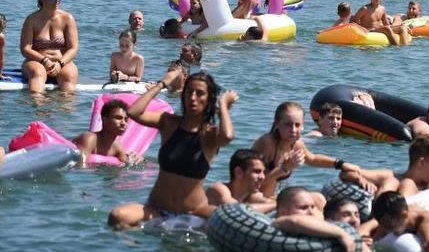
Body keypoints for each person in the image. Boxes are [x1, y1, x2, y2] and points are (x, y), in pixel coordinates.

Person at [107, 68, 238, 228]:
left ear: (209, 99)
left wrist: (222, 106)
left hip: (193, 212)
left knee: (230, 222)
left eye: (200, 93)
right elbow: (134, 112)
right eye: (189, 92)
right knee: (117, 216)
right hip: (156, 209)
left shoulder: (210, 135)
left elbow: (228, 136)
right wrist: (163, 83)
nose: (193, 98)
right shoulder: (168, 123)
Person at [251, 102, 370, 199]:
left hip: (275, 198)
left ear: (303, 125)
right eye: (288, 125)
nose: (293, 129)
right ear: (277, 123)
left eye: (297, 125)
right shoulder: (267, 143)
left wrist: (341, 164)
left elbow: (312, 159)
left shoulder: (296, 143)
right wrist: (284, 168)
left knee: (319, 199)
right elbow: (253, 184)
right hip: (256, 199)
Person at [20, 0, 80, 92]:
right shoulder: (31, 19)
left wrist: (60, 63)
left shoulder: (68, 18)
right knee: (37, 73)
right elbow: (25, 49)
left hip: (61, 62)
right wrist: (44, 61)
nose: (57, 0)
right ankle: (38, 106)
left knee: (69, 76)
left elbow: (73, 48)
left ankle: (64, 108)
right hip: (36, 61)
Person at [274, 187, 362, 252]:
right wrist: (343, 235)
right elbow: (293, 221)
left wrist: (358, 241)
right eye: (304, 208)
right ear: (283, 213)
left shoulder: (321, 222)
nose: (311, 212)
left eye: (312, 207)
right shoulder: (279, 222)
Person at [358, 191, 429, 252]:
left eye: (389, 226)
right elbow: (370, 235)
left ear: (404, 215)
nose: (387, 230)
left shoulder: (425, 223)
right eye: (384, 225)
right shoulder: (389, 220)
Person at [72, 99, 143, 164]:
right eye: (118, 118)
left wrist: (139, 159)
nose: (123, 123)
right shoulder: (89, 139)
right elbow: (80, 167)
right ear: (104, 120)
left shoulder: (117, 147)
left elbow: (128, 166)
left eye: (126, 119)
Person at [206, 149, 276, 213]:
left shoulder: (250, 196)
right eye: (257, 171)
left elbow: (269, 202)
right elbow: (237, 211)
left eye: (263, 172)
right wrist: (275, 206)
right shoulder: (219, 189)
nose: (263, 177)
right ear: (238, 172)